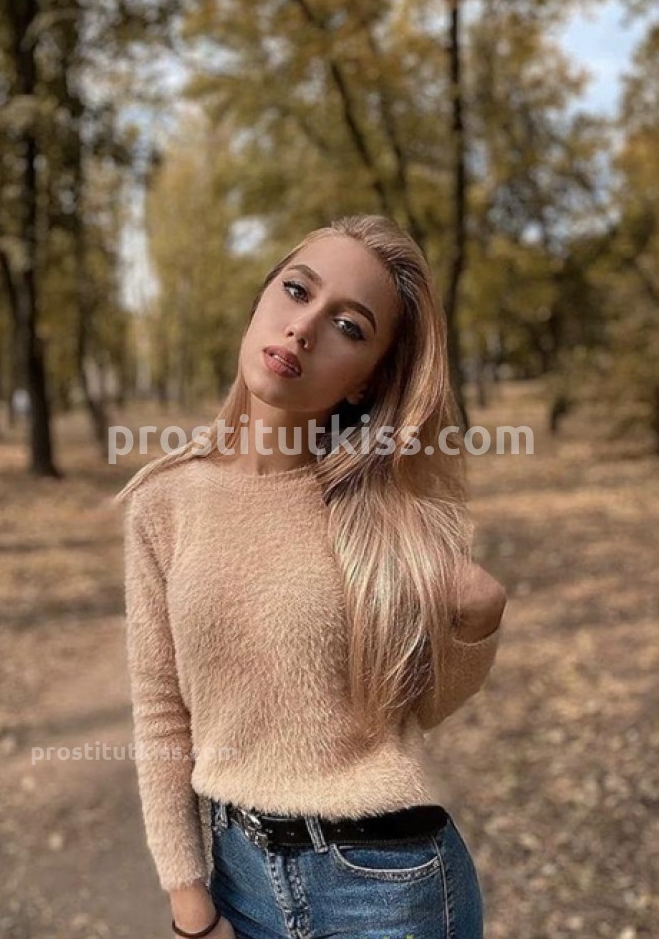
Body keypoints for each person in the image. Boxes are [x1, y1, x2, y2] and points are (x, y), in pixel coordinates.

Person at [115, 214, 508, 939]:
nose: (303, 328)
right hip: (239, 882)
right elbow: (162, 712)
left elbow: (415, 710)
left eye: (349, 327)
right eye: (297, 291)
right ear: (262, 299)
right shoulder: (162, 503)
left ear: (368, 382)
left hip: (388, 890)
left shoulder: (386, 516)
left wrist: (475, 625)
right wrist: (190, 906)